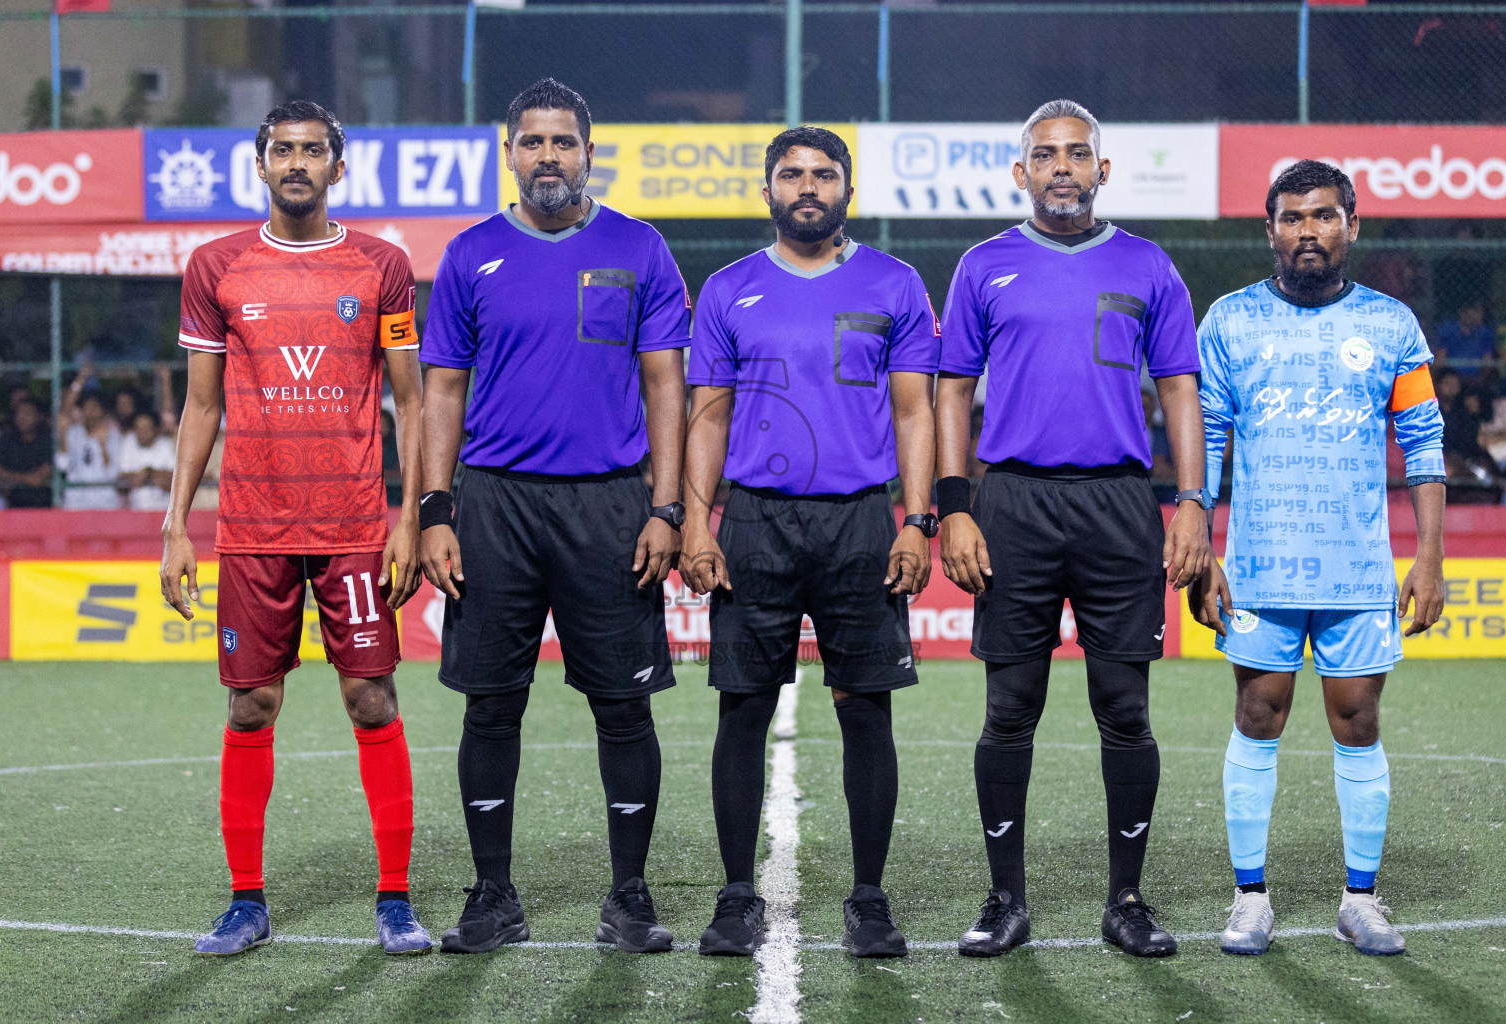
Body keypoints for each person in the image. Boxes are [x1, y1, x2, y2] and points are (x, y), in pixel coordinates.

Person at [419, 79, 691, 956]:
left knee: (624, 707)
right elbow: (441, 393)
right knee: (491, 708)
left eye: (563, 142)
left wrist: (668, 506)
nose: (548, 157)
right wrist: (434, 509)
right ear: (509, 154)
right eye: (531, 142)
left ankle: (630, 898)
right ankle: (492, 896)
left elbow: (666, 387)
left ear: (588, 150)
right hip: (494, 503)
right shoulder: (468, 255)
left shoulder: (641, 249)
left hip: (610, 506)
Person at [935, 99, 1212, 959]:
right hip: (1012, 501)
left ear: (1101, 171)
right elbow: (950, 392)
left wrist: (1193, 501)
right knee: (1009, 709)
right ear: (1021, 173)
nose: (1062, 166)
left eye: (1078, 154)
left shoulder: (1149, 264)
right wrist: (953, 504)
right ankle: (1004, 899)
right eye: (1045, 155)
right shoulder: (984, 265)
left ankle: (1125, 901)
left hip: (1118, 506)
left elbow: (1178, 392)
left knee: (1124, 709)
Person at [159, 100, 430, 957]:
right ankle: (247, 901)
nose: (298, 163)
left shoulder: (381, 265)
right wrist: (176, 527)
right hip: (250, 526)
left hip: (352, 522)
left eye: (314, 151)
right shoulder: (216, 266)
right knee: (251, 707)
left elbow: (412, 400)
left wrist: (412, 517)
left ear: (338, 168)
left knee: (372, 697)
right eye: (283, 150)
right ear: (262, 164)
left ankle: (394, 900)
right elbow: (202, 407)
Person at [682, 126, 939, 959]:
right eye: (790, 173)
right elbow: (707, 416)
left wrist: (917, 518)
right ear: (766, 191)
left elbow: (913, 412)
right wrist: (696, 520)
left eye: (823, 174)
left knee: (867, 711)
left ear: (846, 191)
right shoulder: (727, 290)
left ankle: (868, 899)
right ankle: (734, 897)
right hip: (754, 519)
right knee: (742, 712)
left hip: (861, 521)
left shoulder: (895, 284)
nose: (806, 185)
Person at [1189, 159, 1446, 957]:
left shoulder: (1392, 324)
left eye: (1325, 216)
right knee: (1257, 716)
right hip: (1262, 565)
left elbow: (1425, 443)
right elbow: (1206, 440)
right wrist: (1201, 547)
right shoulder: (1229, 320)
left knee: (1358, 722)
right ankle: (1250, 897)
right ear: (1270, 229)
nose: (1310, 230)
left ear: (1352, 225)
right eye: (1294, 217)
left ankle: (1361, 901)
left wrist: (1430, 558)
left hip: (1358, 570)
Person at [57, 381, 122, 509]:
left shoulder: (113, 435)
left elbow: (112, 474)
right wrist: (62, 436)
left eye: (94, 408)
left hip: (105, 501)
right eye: (87, 408)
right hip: (75, 501)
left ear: (102, 411)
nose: (90, 412)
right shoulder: (73, 433)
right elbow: (62, 465)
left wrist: (103, 446)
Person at [0, 395, 54, 508]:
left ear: (39, 416)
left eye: (27, 413)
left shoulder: (48, 438)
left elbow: (46, 473)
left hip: (44, 504)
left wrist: (12, 477)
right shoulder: (7, 438)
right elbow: (0, 472)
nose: (21, 418)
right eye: (19, 413)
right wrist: (27, 478)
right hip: (13, 503)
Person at [118, 411, 175, 511]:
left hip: (164, 512)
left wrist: (148, 472)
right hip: (135, 512)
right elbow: (122, 476)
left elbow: (174, 478)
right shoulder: (129, 443)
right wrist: (151, 476)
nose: (142, 433)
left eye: (146, 429)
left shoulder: (167, 445)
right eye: (138, 429)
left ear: (156, 429)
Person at [1434, 300, 1494, 373]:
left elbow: (1487, 361)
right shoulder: (1448, 331)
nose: (1480, 315)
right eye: (1476, 311)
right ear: (1462, 312)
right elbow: (1440, 360)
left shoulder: (1485, 333)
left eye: (1480, 311)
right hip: (1452, 375)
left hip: (1477, 379)